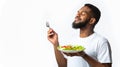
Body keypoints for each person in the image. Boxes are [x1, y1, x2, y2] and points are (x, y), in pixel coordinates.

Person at [47, 3, 112, 67]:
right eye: (78, 12)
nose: (77, 15)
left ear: (91, 21)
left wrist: (84, 55)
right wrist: (55, 43)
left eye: (82, 14)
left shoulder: (101, 41)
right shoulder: (72, 40)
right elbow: (63, 65)